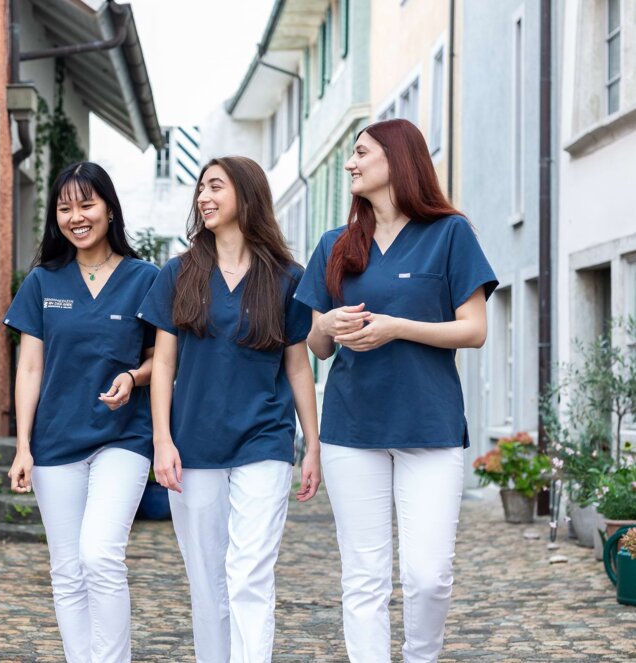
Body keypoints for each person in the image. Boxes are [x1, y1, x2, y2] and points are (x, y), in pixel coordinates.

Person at [294, 118, 498, 663]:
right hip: (351, 428)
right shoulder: (334, 245)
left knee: (428, 575)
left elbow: (473, 330)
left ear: (398, 159)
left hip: (428, 426)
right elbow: (316, 345)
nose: (350, 163)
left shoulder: (450, 234)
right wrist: (329, 324)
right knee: (363, 575)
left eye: (361, 152)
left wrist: (396, 327)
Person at [137, 156, 321, 663]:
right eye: (200, 188)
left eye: (215, 186)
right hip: (193, 445)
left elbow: (298, 367)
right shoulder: (179, 273)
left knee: (249, 575)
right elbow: (164, 364)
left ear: (247, 193)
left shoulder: (286, 277)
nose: (203, 197)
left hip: (264, 440)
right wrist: (162, 441)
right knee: (207, 583)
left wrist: (312, 446)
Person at [3, 161, 158, 663]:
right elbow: (29, 368)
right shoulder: (43, 282)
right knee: (67, 570)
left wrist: (133, 377)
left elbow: (165, 359)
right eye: (65, 207)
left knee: (100, 555)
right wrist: (23, 446)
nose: (76, 216)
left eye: (86, 204)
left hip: (123, 437)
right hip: (55, 441)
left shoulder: (146, 279)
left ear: (109, 209)